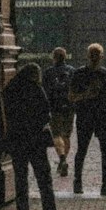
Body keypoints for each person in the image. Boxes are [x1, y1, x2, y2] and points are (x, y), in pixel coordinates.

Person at [3, 64, 72, 210]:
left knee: (21, 182)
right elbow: (45, 113)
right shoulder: (35, 89)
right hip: (35, 142)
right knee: (45, 183)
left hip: (17, 141)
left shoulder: (10, 89)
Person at [69, 42, 106, 196]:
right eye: (92, 55)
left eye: (97, 55)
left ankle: (105, 183)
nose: (95, 58)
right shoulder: (79, 73)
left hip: (101, 116)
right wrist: (86, 95)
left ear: (101, 57)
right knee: (82, 149)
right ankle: (77, 181)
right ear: (88, 56)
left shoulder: (104, 73)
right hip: (85, 116)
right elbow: (71, 96)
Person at [42, 46, 75, 176]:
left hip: (54, 107)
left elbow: (44, 91)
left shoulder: (48, 72)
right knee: (66, 135)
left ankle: (61, 158)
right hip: (69, 107)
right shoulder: (72, 71)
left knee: (56, 135)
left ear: (54, 57)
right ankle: (64, 160)